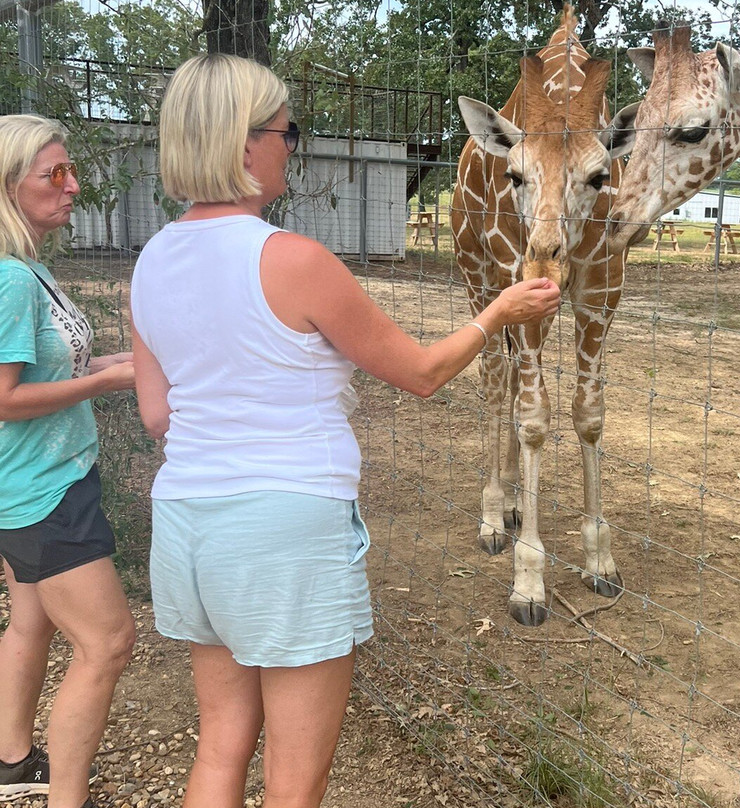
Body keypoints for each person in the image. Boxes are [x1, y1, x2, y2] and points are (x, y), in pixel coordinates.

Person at [129, 53, 561, 808]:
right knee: (297, 781)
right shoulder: (294, 260)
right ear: (244, 146)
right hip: (283, 530)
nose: (293, 146)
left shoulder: (151, 259)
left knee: (221, 745)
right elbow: (422, 374)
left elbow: (157, 414)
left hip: (186, 523)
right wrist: (498, 314)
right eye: (287, 131)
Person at [0, 114, 137, 808]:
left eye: (70, 169)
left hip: (37, 486)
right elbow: (4, 399)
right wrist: (109, 382)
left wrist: (125, 361)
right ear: (9, 184)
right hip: (43, 494)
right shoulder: (11, 281)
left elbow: (65, 363)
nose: (73, 185)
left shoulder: (30, 267)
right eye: (55, 173)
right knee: (109, 643)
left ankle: (12, 762)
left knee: (31, 622)